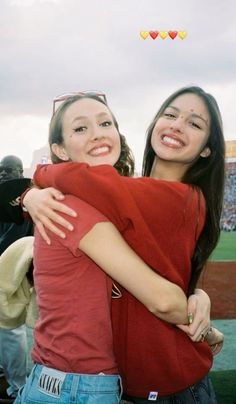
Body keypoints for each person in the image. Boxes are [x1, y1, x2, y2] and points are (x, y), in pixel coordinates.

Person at [24, 87, 225, 403]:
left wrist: (34, 183)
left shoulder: (172, 198)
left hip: (167, 380)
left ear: (206, 150)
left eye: (194, 124)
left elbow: (84, 180)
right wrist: (198, 300)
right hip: (133, 378)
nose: (176, 125)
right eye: (170, 115)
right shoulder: (130, 195)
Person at [0, 155, 33, 402]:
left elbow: (14, 240)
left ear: (20, 171)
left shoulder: (25, 200)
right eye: (0, 170)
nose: (2, 174)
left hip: (20, 278)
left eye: (8, 170)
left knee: (14, 332)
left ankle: (18, 386)